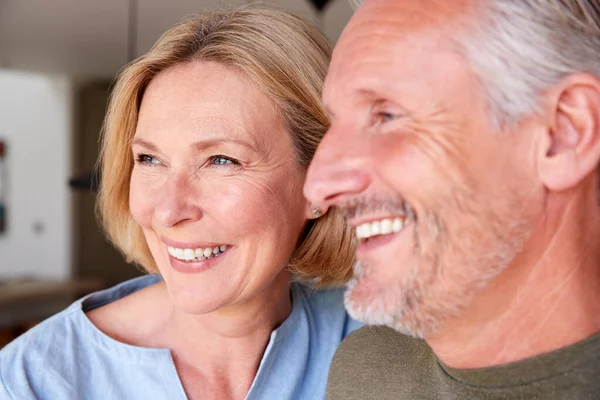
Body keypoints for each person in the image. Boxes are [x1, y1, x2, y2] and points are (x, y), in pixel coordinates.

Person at [0, 7, 362, 399]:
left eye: (222, 160)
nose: (168, 212)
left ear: (319, 180)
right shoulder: (31, 382)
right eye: (149, 159)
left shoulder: (380, 345)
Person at [304, 0, 600, 398]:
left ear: (564, 133)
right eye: (335, 125)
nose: (318, 185)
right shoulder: (367, 372)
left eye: (387, 116)